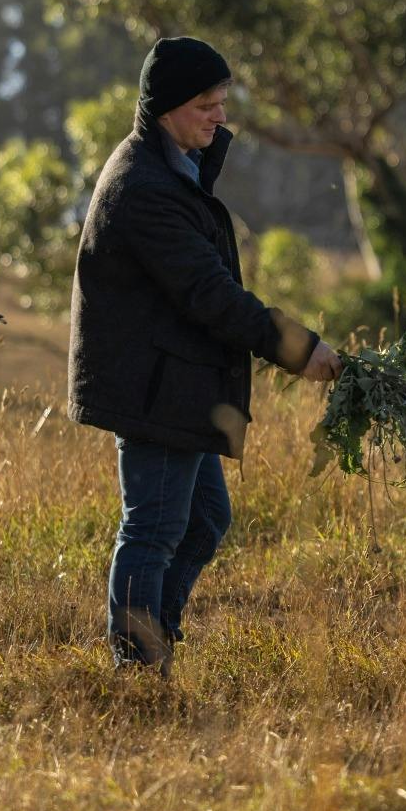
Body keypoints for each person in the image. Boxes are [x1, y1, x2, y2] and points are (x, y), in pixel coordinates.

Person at [69, 36, 342, 675]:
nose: (221, 117)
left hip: (177, 378)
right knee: (155, 530)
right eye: (206, 106)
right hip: (156, 384)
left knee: (203, 521)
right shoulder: (145, 187)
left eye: (222, 102)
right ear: (167, 107)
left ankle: (154, 638)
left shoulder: (169, 166)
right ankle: (137, 670)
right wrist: (298, 350)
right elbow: (210, 294)